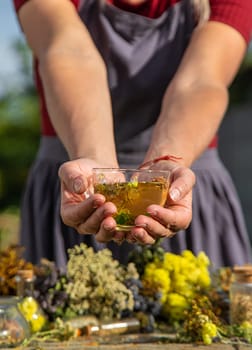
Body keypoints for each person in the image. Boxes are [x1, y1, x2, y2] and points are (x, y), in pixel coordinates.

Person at [13, 0, 252, 268]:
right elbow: (68, 53)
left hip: (181, 190)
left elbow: (202, 79)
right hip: (76, 188)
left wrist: (165, 167)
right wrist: (96, 166)